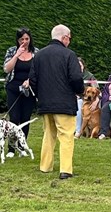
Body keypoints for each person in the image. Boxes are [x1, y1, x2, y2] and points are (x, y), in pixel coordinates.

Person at [29, 24, 84, 180]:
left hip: (45, 103)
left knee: (49, 134)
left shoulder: (38, 56)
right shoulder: (69, 55)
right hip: (64, 102)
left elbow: (32, 79)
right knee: (66, 135)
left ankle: (45, 166)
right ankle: (65, 170)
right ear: (65, 38)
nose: (70, 41)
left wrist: (41, 94)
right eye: (70, 38)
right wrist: (80, 91)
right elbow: (75, 78)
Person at [3, 27, 39, 158]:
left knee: (25, 118)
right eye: (21, 39)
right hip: (13, 88)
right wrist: (17, 55)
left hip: (28, 89)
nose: (24, 41)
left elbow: (39, 71)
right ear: (18, 40)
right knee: (14, 118)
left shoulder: (36, 52)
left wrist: (30, 80)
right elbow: (6, 69)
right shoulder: (12, 50)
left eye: (27, 39)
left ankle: (22, 146)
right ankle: (11, 148)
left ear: (30, 39)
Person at [74, 57, 100, 138]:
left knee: (79, 104)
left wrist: (96, 101)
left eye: (80, 65)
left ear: (83, 66)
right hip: (71, 98)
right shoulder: (71, 75)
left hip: (84, 100)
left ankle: (78, 131)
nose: (78, 67)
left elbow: (97, 90)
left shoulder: (89, 76)